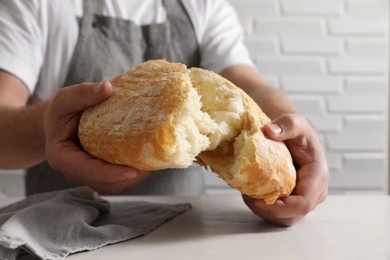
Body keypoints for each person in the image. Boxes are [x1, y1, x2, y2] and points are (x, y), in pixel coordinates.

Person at [0, 0, 328, 226]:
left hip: (181, 234)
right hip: (55, 235)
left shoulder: (201, 5)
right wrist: (48, 126)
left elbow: (247, 86)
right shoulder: (35, 5)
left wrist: (292, 129)